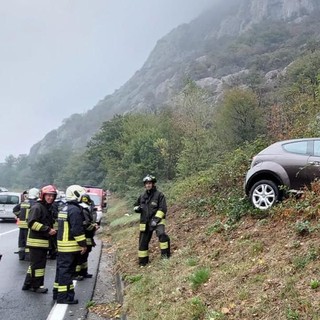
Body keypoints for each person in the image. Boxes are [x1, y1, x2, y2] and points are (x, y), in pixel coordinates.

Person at [53, 185, 87, 304]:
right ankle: (64, 297)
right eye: (81, 194)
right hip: (70, 247)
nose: (83, 197)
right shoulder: (75, 210)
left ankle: (57, 294)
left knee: (61, 271)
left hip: (62, 246)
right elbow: (77, 230)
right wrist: (83, 245)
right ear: (76, 194)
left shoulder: (64, 208)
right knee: (66, 273)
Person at [22, 185, 57, 293]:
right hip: (37, 242)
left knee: (35, 264)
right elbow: (31, 223)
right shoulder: (37, 207)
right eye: (48, 195)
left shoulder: (46, 207)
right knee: (38, 266)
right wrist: (47, 230)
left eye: (52, 196)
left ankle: (27, 284)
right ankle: (36, 286)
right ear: (43, 195)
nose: (50, 198)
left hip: (42, 242)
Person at [134, 174, 170, 266]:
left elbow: (162, 209)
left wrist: (156, 220)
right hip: (145, 222)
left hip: (157, 221)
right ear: (144, 185)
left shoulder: (159, 195)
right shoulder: (142, 196)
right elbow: (135, 205)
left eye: (150, 183)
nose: (148, 185)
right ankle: (143, 263)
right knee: (143, 242)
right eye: (146, 183)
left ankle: (165, 257)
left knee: (162, 234)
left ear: (153, 184)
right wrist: (137, 208)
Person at [74, 193, 99, 280]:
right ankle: (76, 273)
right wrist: (93, 227)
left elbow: (89, 222)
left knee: (85, 254)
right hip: (83, 236)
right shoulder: (82, 210)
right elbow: (85, 224)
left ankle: (83, 272)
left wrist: (93, 226)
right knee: (81, 255)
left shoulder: (87, 209)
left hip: (88, 236)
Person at [13, 188, 39, 261]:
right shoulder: (36, 204)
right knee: (29, 241)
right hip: (30, 225)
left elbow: (15, 210)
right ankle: (28, 257)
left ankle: (21, 256)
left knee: (22, 240)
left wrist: (19, 215)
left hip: (22, 225)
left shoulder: (23, 203)